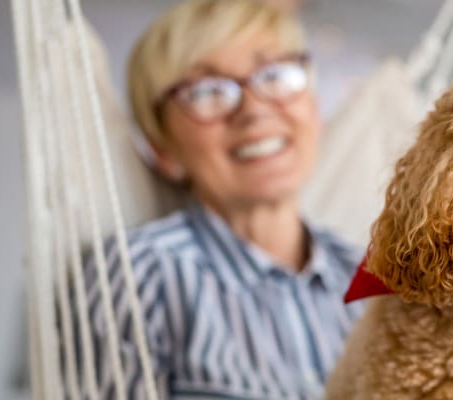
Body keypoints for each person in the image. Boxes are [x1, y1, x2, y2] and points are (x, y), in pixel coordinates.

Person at [74, 0, 362, 398]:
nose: (254, 110)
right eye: (207, 91)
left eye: (275, 75)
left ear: (313, 108)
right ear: (163, 149)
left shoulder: (373, 283)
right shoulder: (139, 276)